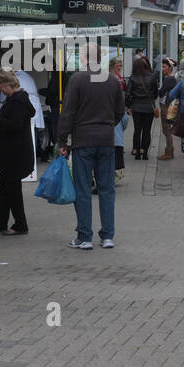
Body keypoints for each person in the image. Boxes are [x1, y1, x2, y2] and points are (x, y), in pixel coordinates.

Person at [57, 41, 124, 250]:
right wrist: (107, 125)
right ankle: (107, 236)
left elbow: (67, 112)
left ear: (83, 58)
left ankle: (84, 236)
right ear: (100, 58)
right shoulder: (112, 81)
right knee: (107, 189)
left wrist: (62, 140)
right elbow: (120, 111)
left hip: (83, 140)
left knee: (83, 188)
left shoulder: (76, 79)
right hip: (106, 140)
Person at [0, 67, 35, 235]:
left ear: (7, 84)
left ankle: (21, 225)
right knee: (5, 189)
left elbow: (14, 125)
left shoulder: (18, 101)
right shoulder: (17, 99)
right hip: (13, 153)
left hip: (15, 155)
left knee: (12, 191)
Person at [126, 55, 158, 160]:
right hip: (148, 107)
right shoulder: (152, 76)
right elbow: (155, 93)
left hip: (136, 106)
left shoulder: (133, 78)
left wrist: (129, 106)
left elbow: (128, 94)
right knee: (147, 130)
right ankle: (144, 151)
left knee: (137, 130)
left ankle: (137, 151)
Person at [109, 56, 130, 181]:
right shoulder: (113, 78)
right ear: (112, 66)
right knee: (115, 146)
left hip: (117, 111)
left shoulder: (118, 77)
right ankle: (113, 174)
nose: (120, 67)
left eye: (121, 65)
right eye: (118, 65)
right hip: (115, 112)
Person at [157, 57, 177, 160]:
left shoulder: (169, 79)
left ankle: (169, 152)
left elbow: (160, 93)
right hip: (168, 105)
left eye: (164, 67)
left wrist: (160, 91)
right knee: (167, 129)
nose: (163, 68)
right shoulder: (170, 78)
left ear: (170, 68)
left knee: (167, 130)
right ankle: (169, 150)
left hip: (166, 106)